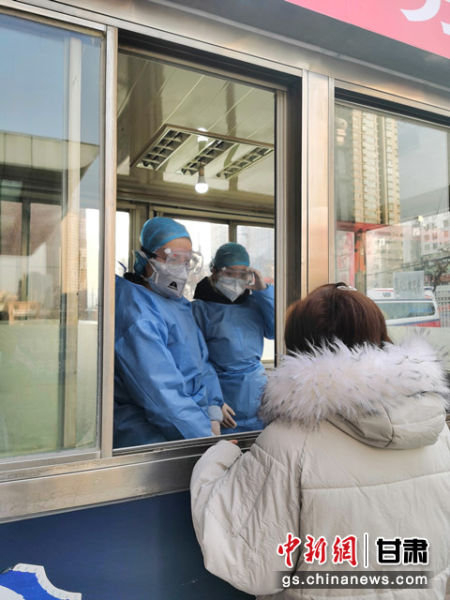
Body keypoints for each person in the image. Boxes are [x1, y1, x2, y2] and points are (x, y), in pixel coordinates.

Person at [190, 283, 450, 598]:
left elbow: (251, 565)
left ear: (298, 347)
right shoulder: (436, 430)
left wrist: (217, 460)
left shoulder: (288, 442)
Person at [114, 217, 223, 448]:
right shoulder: (137, 312)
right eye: (173, 259)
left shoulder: (177, 304)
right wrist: (204, 438)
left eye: (187, 261)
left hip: (189, 425)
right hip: (151, 440)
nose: (181, 269)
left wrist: (213, 407)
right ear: (145, 258)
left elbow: (200, 362)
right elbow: (161, 396)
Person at [192, 242, 274, 432]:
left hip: (258, 395)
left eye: (243, 274)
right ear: (214, 271)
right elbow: (196, 360)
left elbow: (275, 331)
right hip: (223, 396)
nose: (237, 280)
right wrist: (213, 401)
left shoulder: (254, 304)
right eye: (230, 273)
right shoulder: (199, 310)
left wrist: (264, 292)